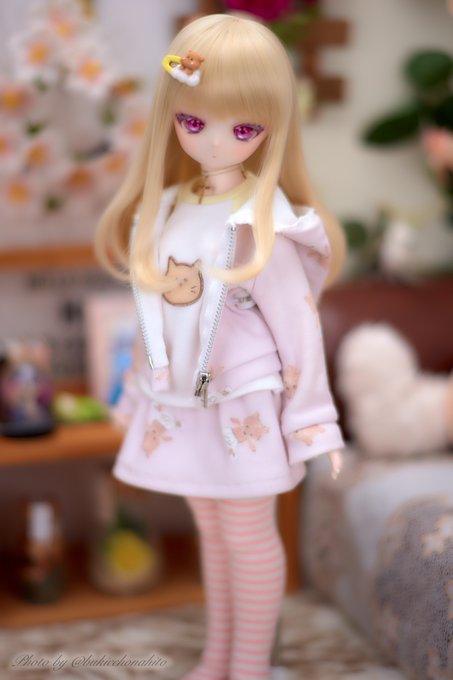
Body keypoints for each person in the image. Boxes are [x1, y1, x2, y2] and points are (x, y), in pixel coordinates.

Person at [95, 13, 345, 680]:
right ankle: (218, 657)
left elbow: (298, 329)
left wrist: (313, 422)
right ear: (171, 116)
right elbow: (153, 317)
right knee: (209, 527)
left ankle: (249, 665)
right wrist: (134, 395)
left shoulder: (260, 221)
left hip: (242, 405)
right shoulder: (165, 207)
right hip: (179, 400)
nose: (211, 140)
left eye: (241, 128)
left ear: (270, 128)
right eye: (193, 120)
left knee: (246, 533)